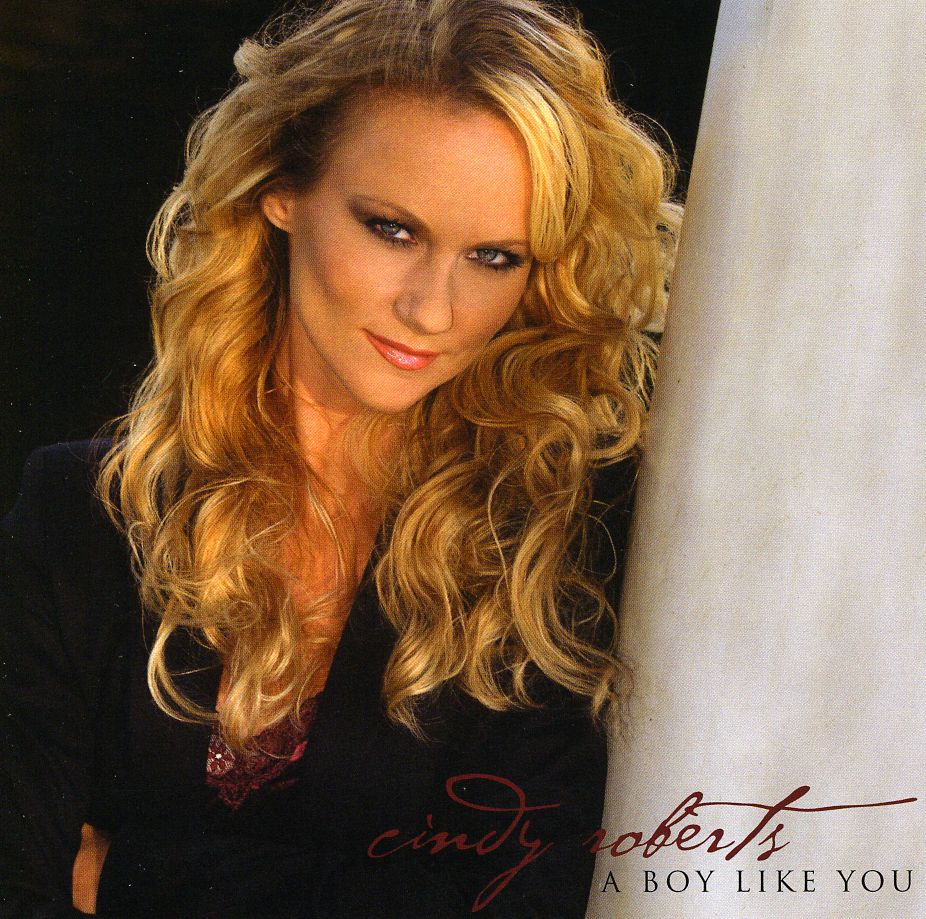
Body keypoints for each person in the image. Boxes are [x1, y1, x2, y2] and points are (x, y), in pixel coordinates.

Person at [0, 0, 679, 916]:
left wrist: (131, 876)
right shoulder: (82, 514)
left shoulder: (553, 558)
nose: (433, 309)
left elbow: (525, 899)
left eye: (493, 256)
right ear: (280, 187)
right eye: (393, 229)